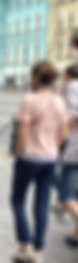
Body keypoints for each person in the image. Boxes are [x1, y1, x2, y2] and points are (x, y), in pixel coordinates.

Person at [10, 60, 69, 263]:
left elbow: (24, 131)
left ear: (35, 78)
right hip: (49, 159)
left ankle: (25, 244)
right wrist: (53, 148)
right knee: (41, 203)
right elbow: (63, 132)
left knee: (18, 199)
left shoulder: (30, 100)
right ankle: (38, 248)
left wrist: (19, 153)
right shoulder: (59, 102)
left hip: (29, 158)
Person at [57, 64, 78, 246]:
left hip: (74, 149)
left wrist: (60, 138)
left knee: (67, 193)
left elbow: (72, 115)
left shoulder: (72, 87)